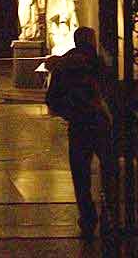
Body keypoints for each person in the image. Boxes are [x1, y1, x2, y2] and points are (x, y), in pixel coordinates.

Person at [45, 27, 117, 240]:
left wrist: (70, 112)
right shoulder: (101, 64)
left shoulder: (64, 65)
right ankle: (110, 211)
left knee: (81, 175)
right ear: (92, 41)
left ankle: (87, 217)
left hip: (79, 125)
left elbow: (52, 99)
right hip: (101, 123)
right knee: (109, 169)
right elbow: (112, 91)